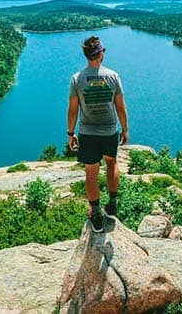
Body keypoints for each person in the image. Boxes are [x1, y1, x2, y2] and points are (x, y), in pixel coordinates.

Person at [67, 35, 129, 233]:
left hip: (87, 132)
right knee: (111, 164)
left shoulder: (77, 79)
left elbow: (73, 110)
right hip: (110, 130)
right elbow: (120, 107)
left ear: (87, 55)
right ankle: (112, 204)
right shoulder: (113, 76)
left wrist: (70, 133)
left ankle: (95, 214)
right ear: (101, 53)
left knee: (91, 173)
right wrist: (125, 129)